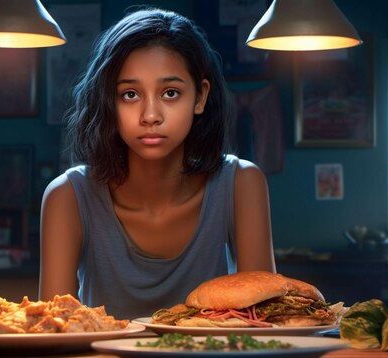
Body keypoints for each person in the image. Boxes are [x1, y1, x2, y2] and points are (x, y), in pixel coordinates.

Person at [39, 7, 275, 319]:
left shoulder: (241, 183)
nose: (151, 115)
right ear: (108, 101)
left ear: (200, 97)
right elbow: (53, 329)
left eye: (171, 93)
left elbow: (267, 321)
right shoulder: (67, 196)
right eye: (130, 94)